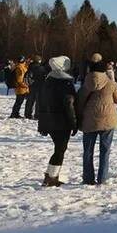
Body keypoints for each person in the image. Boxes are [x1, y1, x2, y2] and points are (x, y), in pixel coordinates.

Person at [76, 54, 117, 185]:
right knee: (105, 151)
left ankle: (88, 179)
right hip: (107, 121)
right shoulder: (111, 84)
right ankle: (102, 178)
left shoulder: (86, 84)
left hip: (89, 121)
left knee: (88, 151)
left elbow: (79, 102)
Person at [36, 56, 77, 187]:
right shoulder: (65, 83)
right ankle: (51, 177)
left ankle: (51, 175)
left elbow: (40, 102)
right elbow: (69, 104)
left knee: (59, 148)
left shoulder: (47, 81)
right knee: (60, 149)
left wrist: (41, 122)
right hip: (62, 121)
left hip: (49, 120)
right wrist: (74, 123)